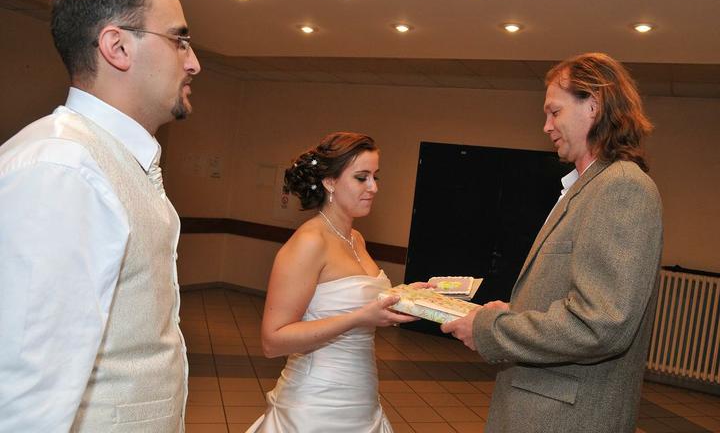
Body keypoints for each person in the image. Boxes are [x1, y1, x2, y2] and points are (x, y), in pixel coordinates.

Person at [0, 0, 200, 431]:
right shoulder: (63, 168)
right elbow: (27, 394)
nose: (193, 62)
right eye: (179, 41)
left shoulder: (104, 159)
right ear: (117, 47)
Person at [442, 52, 663, 432]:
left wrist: (490, 329)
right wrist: (515, 311)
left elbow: (600, 324)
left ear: (593, 105)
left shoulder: (622, 187)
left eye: (554, 112)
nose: (546, 126)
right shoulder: (587, 187)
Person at [248, 132, 418, 433]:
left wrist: (406, 297)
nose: (374, 187)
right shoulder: (309, 242)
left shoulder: (356, 238)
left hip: (361, 398)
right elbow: (272, 342)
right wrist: (359, 318)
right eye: (362, 178)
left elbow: (358, 300)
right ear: (330, 182)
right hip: (315, 403)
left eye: (375, 177)